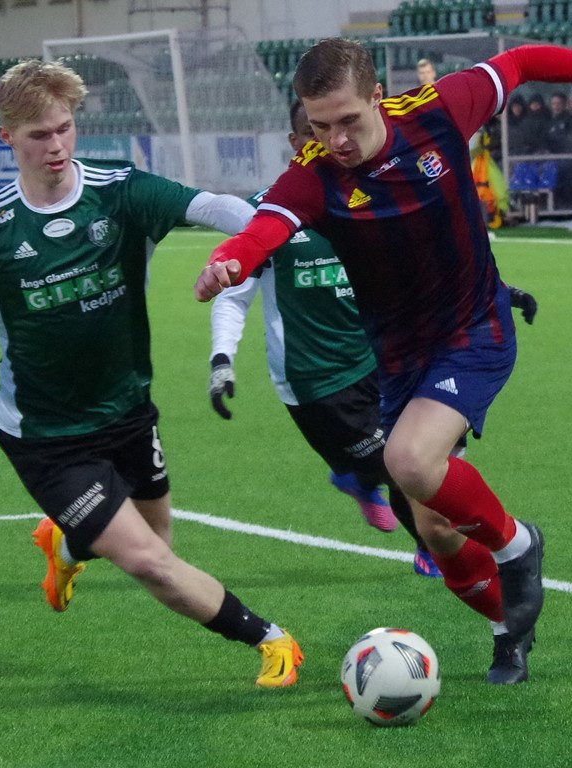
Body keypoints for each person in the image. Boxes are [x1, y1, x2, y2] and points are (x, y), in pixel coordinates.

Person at [194, 40, 572, 683]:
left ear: (376, 98)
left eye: (348, 120)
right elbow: (265, 228)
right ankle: (508, 630)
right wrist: (232, 263)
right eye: (320, 125)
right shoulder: (314, 175)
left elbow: (522, 61)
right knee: (437, 530)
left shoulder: (438, 111)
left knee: (408, 460)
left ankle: (519, 546)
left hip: (475, 328)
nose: (335, 139)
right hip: (400, 359)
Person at [0, 58, 302, 688]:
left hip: (129, 411)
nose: (55, 146)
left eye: (63, 128)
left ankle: (64, 544)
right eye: (37, 135)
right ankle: (271, 639)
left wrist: (276, 231)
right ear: (7, 137)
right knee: (150, 560)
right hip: (47, 437)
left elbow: (217, 207)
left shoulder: (121, 191)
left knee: (156, 534)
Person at [209, 101, 540, 683]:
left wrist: (500, 291)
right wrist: (221, 357)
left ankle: (506, 630)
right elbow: (236, 284)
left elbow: (432, 268)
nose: (324, 144)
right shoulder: (284, 207)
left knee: (434, 521)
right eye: (313, 133)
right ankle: (369, 485)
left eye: (339, 129)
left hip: (401, 366)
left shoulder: (379, 192)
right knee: (418, 502)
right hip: (325, 388)